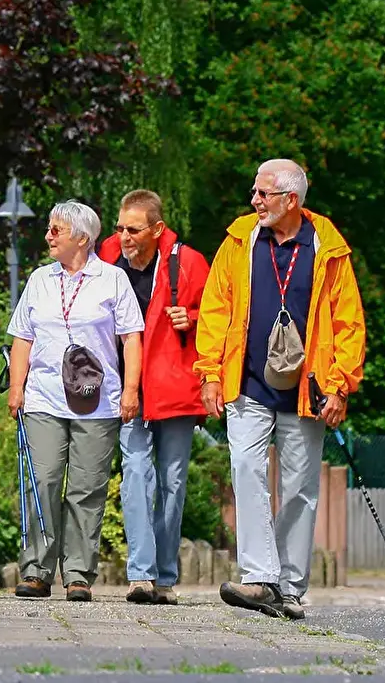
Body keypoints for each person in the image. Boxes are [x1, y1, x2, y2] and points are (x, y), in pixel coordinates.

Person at [196, 159, 364, 621]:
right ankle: (259, 577)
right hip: (247, 381)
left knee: (299, 489)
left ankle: (288, 588)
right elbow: (215, 308)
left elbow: (349, 322)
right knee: (246, 468)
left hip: (308, 388)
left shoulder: (328, 246)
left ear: (291, 199)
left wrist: (340, 386)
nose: (254, 200)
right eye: (254, 192)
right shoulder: (240, 240)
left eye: (263, 193)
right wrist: (209, 373)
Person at [7, 200, 143, 601]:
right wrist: (17, 388)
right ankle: (36, 570)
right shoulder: (40, 279)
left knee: (86, 488)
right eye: (49, 229)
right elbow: (23, 338)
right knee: (43, 480)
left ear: (82, 238)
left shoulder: (113, 279)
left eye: (56, 230)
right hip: (44, 398)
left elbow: (131, 338)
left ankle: (79, 573)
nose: (48, 236)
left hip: (97, 402)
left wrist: (131, 390)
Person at [97, 190, 209, 606]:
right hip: (128, 387)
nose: (124, 237)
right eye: (120, 228)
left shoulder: (189, 262)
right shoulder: (108, 257)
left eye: (133, 229)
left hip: (176, 388)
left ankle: (165, 576)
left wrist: (191, 318)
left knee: (173, 481)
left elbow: (221, 318)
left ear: (157, 229)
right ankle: (141, 575)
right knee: (136, 473)